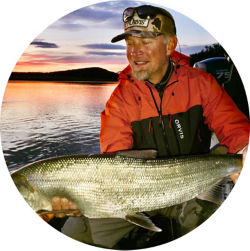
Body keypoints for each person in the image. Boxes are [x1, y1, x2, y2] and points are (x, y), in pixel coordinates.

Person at [49, 4, 249, 249]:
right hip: (136, 194)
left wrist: (243, 153)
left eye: (145, 42)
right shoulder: (120, 99)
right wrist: (82, 199)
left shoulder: (202, 83)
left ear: (170, 45)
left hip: (193, 185)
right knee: (74, 231)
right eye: (130, 43)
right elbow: (115, 167)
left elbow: (237, 131)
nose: (135, 52)